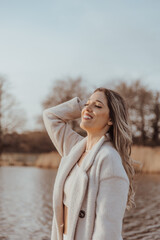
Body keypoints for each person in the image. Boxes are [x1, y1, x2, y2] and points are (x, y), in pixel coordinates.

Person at [43, 87, 135, 240]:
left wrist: (87, 109)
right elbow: (50, 116)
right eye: (87, 103)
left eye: (98, 106)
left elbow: (107, 231)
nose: (88, 108)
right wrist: (84, 107)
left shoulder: (109, 159)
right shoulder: (75, 148)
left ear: (111, 119)